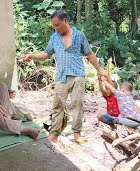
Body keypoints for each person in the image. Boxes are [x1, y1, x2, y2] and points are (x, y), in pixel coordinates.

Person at [22, 10, 105, 144]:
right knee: (58, 105)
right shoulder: (54, 37)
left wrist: (100, 70)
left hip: (78, 74)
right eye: (54, 25)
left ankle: (77, 134)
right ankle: (54, 134)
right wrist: (33, 56)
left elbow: (89, 54)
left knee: (77, 104)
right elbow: (46, 53)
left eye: (58, 25)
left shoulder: (79, 35)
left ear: (65, 21)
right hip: (61, 76)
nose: (56, 28)